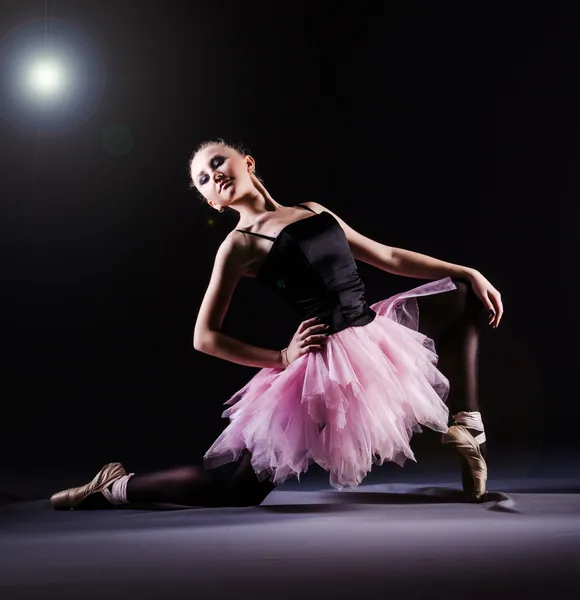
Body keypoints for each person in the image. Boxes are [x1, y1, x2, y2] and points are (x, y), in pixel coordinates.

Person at [50, 139, 503, 511]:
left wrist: (466, 269)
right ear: (211, 200)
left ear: (246, 162)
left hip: (372, 333)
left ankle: (468, 427)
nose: (214, 176)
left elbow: (386, 256)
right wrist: (281, 358)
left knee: (464, 295)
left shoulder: (312, 209)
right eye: (204, 180)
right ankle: (117, 485)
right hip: (327, 366)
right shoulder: (238, 245)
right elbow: (203, 337)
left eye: (216, 163)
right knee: (234, 491)